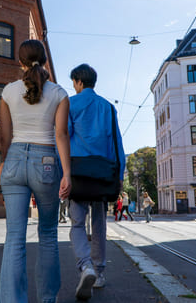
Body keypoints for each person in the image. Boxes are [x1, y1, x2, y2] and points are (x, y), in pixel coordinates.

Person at [0, 39, 71, 303]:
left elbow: (5, 137)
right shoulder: (60, 93)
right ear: (45, 61)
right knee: (48, 234)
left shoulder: (7, 92)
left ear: (20, 62)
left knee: (14, 236)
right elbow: (61, 135)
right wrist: (67, 174)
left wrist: (5, 165)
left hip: (15, 159)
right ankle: (48, 299)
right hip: (46, 161)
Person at [67, 63, 126, 301]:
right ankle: (99, 273)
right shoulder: (108, 107)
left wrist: (63, 174)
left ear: (79, 82)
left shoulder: (70, 104)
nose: (73, 86)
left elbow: (64, 137)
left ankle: (85, 266)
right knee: (99, 225)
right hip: (102, 174)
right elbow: (117, 144)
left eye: (74, 82)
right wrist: (119, 176)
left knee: (77, 224)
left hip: (78, 173)